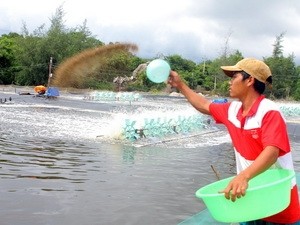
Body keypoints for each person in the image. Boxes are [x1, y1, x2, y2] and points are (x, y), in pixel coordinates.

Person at [168, 58, 300, 225]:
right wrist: (180, 85)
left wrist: (243, 176)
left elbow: (272, 152)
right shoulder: (232, 110)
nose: (229, 83)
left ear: (250, 80)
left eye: (234, 77)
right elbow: (204, 105)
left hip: (277, 198)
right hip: (249, 195)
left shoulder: (269, 111)